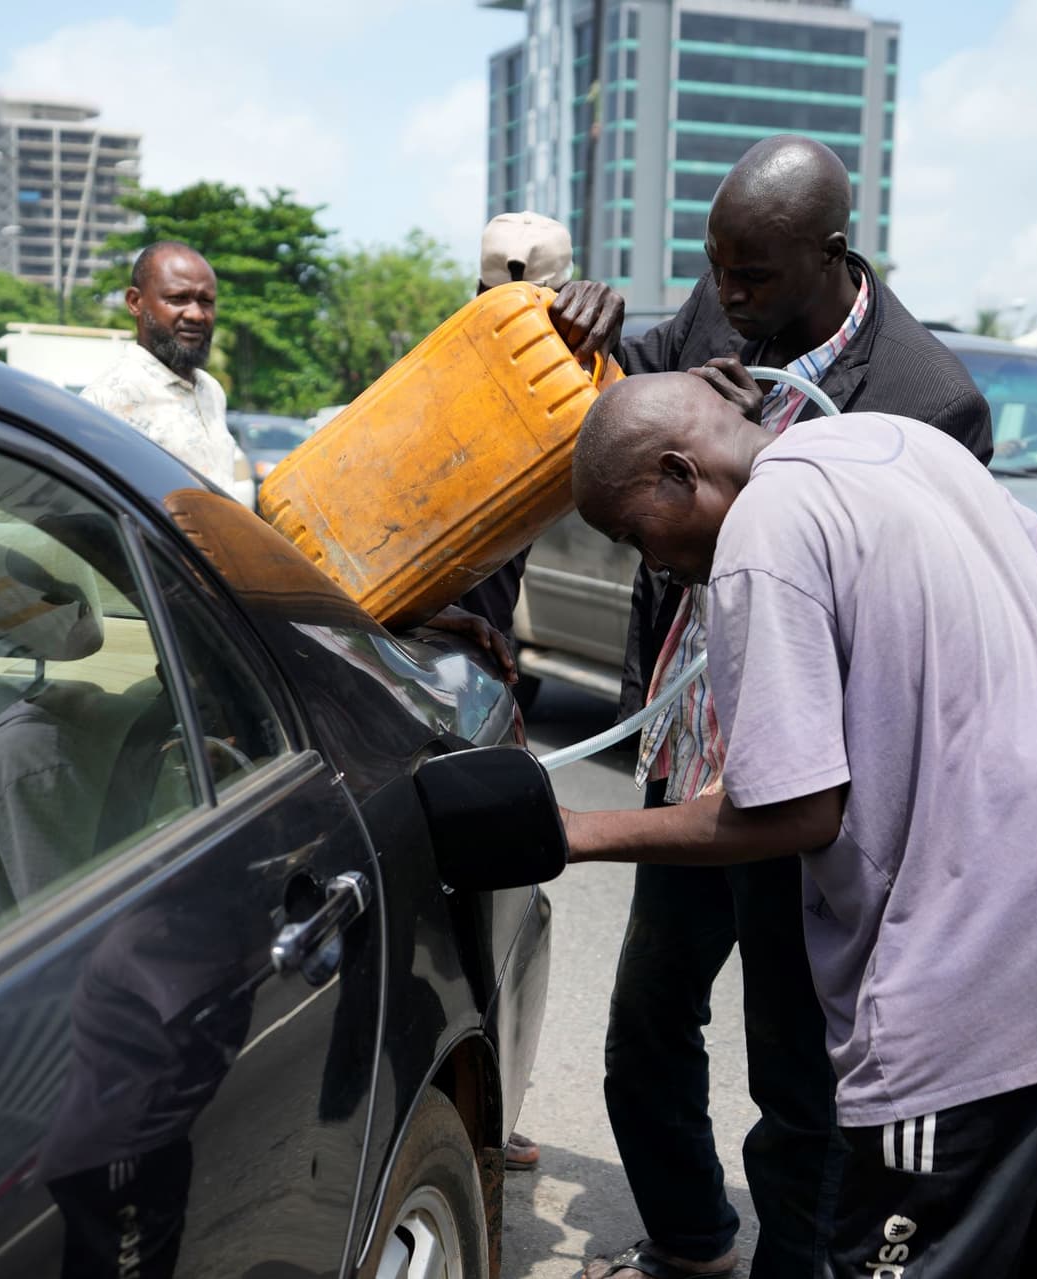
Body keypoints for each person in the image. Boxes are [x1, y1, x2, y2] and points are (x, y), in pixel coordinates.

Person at [562, 373, 1037, 1278]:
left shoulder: (759, 539)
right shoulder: (895, 440)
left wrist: (575, 832)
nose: (649, 563)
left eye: (633, 533)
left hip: (997, 936)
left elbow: (795, 811)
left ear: (679, 474)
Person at [550, 136, 992, 1279]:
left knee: (799, 1075)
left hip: (814, 787)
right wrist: (574, 329)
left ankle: (798, 1265)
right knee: (646, 1029)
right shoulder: (713, 312)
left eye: (751, 277)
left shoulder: (926, 403)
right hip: (694, 760)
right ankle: (692, 1238)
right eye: (715, 271)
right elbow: (600, 413)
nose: (729, 299)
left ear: (830, 253)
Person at [432, 210, 578, 1173]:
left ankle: (482, 1101)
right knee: (472, 895)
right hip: (437, 674)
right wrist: (446, 626)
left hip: (472, 669)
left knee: (495, 902)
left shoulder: (545, 383)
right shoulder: (446, 384)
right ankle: (460, 1110)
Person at [427, 211, 578, 689]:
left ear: (476, 291)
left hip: (413, 637)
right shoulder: (569, 392)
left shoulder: (429, 370)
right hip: (467, 645)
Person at [81, 241, 240, 491]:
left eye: (206, 301)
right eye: (178, 299)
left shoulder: (210, 389)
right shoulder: (107, 400)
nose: (196, 314)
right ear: (135, 302)